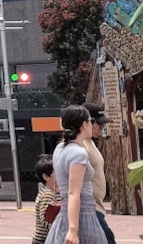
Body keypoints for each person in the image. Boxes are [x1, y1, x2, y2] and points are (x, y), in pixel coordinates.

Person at [44, 105, 106, 244]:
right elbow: (74, 193)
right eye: (90, 121)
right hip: (83, 214)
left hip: (65, 214)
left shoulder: (60, 148)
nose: (92, 124)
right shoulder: (78, 153)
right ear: (84, 124)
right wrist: (73, 230)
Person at [84, 103, 117, 244]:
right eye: (99, 124)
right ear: (88, 123)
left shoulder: (90, 143)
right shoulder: (80, 146)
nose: (102, 127)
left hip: (97, 206)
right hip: (89, 207)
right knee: (108, 239)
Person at [33, 155, 59, 244]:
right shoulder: (48, 194)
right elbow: (46, 220)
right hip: (44, 240)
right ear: (46, 177)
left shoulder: (56, 193)